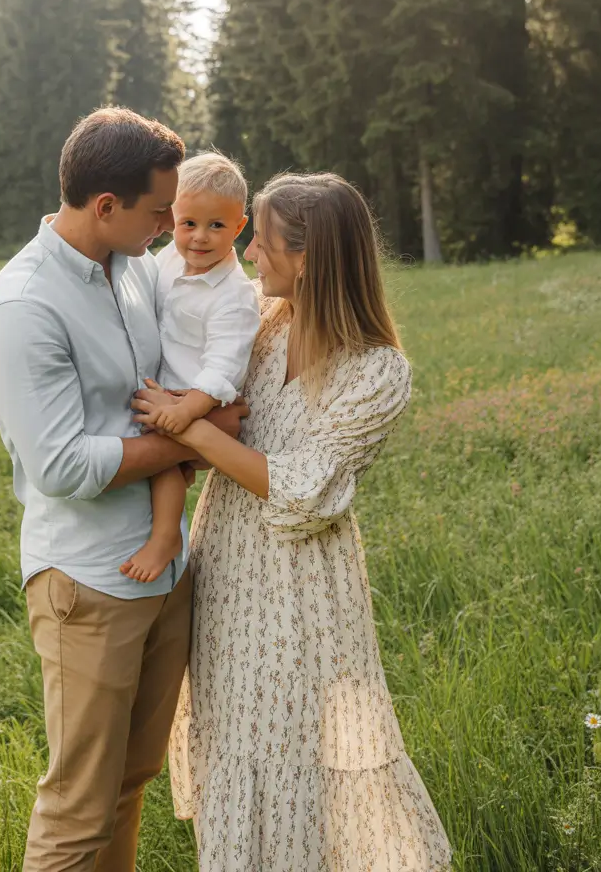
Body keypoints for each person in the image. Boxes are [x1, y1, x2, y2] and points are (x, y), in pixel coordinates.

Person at [136, 172, 452, 871]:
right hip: (225, 569)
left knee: (301, 750)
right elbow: (199, 367)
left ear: (307, 258)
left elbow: (303, 488)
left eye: (264, 242)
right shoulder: (262, 328)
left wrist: (187, 427)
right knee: (234, 745)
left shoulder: (377, 372)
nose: (248, 254)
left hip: (304, 586)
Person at [0, 107, 246, 872]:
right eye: (160, 212)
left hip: (165, 571)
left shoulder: (133, 271)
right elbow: (60, 465)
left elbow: (200, 343)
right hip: (89, 583)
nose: (169, 226)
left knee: (131, 782)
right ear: (105, 207)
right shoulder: (25, 308)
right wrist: (200, 434)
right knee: (78, 809)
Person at [121, 152, 261, 584]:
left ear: (239, 226)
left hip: (195, 397)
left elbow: (224, 365)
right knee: (165, 461)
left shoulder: (233, 296)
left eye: (216, 226)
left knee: (164, 456)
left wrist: (188, 409)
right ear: (172, 220)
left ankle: (165, 538)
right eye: (189, 224)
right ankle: (159, 528)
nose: (200, 237)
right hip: (166, 386)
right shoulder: (167, 259)